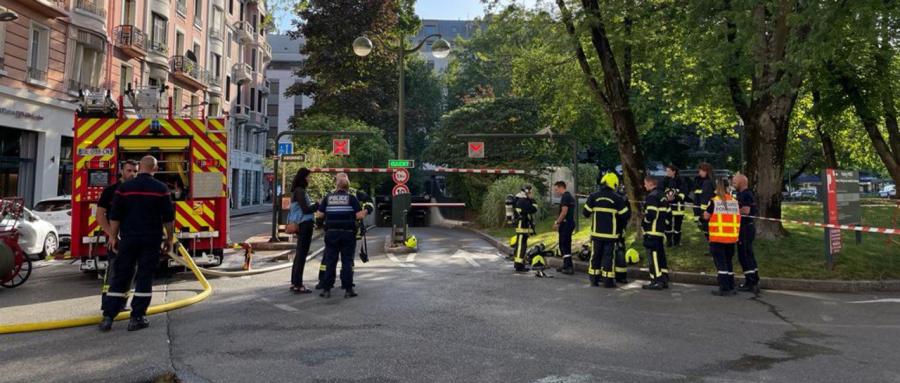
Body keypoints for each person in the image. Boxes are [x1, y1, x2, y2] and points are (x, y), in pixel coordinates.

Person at [99, 155, 175, 332]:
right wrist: (169, 239)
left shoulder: (124, 189)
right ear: (155, 169)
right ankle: (137, 317)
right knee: (144, 276)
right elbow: (168, 219)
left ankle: (108, 317)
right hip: (151, 239)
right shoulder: (161, 189)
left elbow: (115, 215)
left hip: (128, 239)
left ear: (139, 167)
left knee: (120, 275)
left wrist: (113, 236)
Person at [314, 174, 373, 288]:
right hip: (349, 231)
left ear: (336, 183)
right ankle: (347, 285)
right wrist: (366, 211)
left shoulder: (330, 195)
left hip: (332, 232)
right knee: (347, 260)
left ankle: (325, 284)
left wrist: (319, 224)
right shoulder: (353, 196)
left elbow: (319, 214)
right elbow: (361, 213)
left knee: (330, 260)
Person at [96, 160, 137, 311]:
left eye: (135, 171)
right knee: (114, 272)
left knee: (130, 271)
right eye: (129, 170)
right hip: (116, 239)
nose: (132, 174)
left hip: (131, 238)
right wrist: (112, 236)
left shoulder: (135, 191)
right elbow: (100, 216)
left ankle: (122, 304)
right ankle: (107, 305)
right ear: (121, 171)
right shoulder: (110, 191)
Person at [582, 173, 629, 288]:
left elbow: (585, 213)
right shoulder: (617, 198)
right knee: (608, 257)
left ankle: (594, 280)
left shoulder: (594, 196)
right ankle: (608, 281)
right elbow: (625, 215)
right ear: (614, 184)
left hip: (596, 233)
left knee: (595, 256)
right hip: (610, 235)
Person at [704, 178, 741, 296]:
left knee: (721, 265)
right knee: (728, 263)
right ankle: (731, 285)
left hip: (718, 238)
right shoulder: (734, 202)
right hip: (731, 238)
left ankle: (724, 288)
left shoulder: (714, 201)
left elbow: (706, 216)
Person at [289, 168, 317, 294]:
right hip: (304, 224)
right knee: (301, 254)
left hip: (302, 224)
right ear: (303, 178)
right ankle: (298, 284)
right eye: (308, 177)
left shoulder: (298, 191)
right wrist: (318, 204)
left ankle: (295, 282)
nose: (309, 179)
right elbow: (306, 210)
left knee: (299, 253)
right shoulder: (300, 191)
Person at [641, 176, 670, 290]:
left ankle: (656, 281)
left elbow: (651, 214)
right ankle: (664, 279)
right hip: (660, 231)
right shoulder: (662, 196)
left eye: (645, 183)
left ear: (650, 183)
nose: (644, 185)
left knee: (653, 257)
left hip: (652, 231)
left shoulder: (652, 196)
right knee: (661, 256)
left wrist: (645, 222)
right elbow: (668, 213)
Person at [733, 173, 760, 293]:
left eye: (735, 181)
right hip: (744, 228)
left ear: (742, 182)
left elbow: (746, 211)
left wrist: (731, 210)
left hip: (745, 229)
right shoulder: (741, 194)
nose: (733, 183)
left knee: (744, 256)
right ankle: (754, 279)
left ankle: (750, 282)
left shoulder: (746, 194)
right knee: (748, 254)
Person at [512, 185, 538, 273]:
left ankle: (519, 263)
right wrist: (531, 200)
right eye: (530, 192)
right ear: (527, 192)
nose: (532, 194)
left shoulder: (522, 199)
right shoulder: (522, 201)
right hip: (521, 225)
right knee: (520, 246)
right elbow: (534, 209)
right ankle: (518, 265)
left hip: (523, 225)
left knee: (522, 245)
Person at [553, 181, 576, 275]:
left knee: (564, 245)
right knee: (565, 244)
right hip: (569, 223)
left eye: (556, 189)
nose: (556, 191)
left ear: (561, 187)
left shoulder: (565, 197)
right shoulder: (569, 196)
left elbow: (564, 211)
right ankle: (566, 264)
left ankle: (569, 266)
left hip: (566, 224)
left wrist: (557, 222)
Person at [663, 164, 687, 247]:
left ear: (674, 172)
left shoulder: (680, 181)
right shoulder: (665, 180)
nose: (667, 173)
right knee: (667, 225)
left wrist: (675, 198)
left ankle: (676, 242)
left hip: (678, 207)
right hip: (667, 207)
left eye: (668, 171)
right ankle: (669, 242)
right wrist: (666, 197)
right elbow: (661, 191)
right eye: (666, 171)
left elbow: (683, 193)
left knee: (677, 226)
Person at [692, 163, 715, 241]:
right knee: (706, 230)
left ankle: (712, 247)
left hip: (708, 210)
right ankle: (711, 245)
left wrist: (706, 210)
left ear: (707, 171)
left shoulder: (708, 182)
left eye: (701, 171)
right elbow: (697, 196)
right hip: (702, 209)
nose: (700, 173)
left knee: (709, 229)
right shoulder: (699, 181)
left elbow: (707, 197)